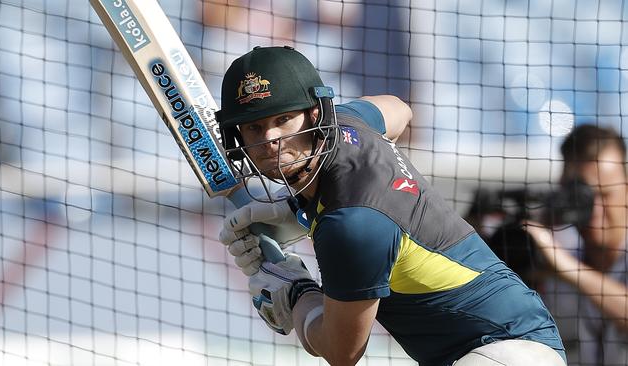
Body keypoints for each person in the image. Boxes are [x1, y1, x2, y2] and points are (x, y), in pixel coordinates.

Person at [215, 46, 566, 366]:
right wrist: (299, 212)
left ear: (314, 115)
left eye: (283, 120)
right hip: (511, 344)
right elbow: (399, 109)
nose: (270, 141)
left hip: (508, 351)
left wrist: (295, 293)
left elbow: (342, 352)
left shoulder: (352, 224)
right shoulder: (351, 122)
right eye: (254, 127)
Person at [524, 124, 628, 365]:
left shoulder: (561, 263)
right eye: (583, 197)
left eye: (605, 195)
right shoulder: (550, 258)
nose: (594, 211)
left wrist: (569, 270)